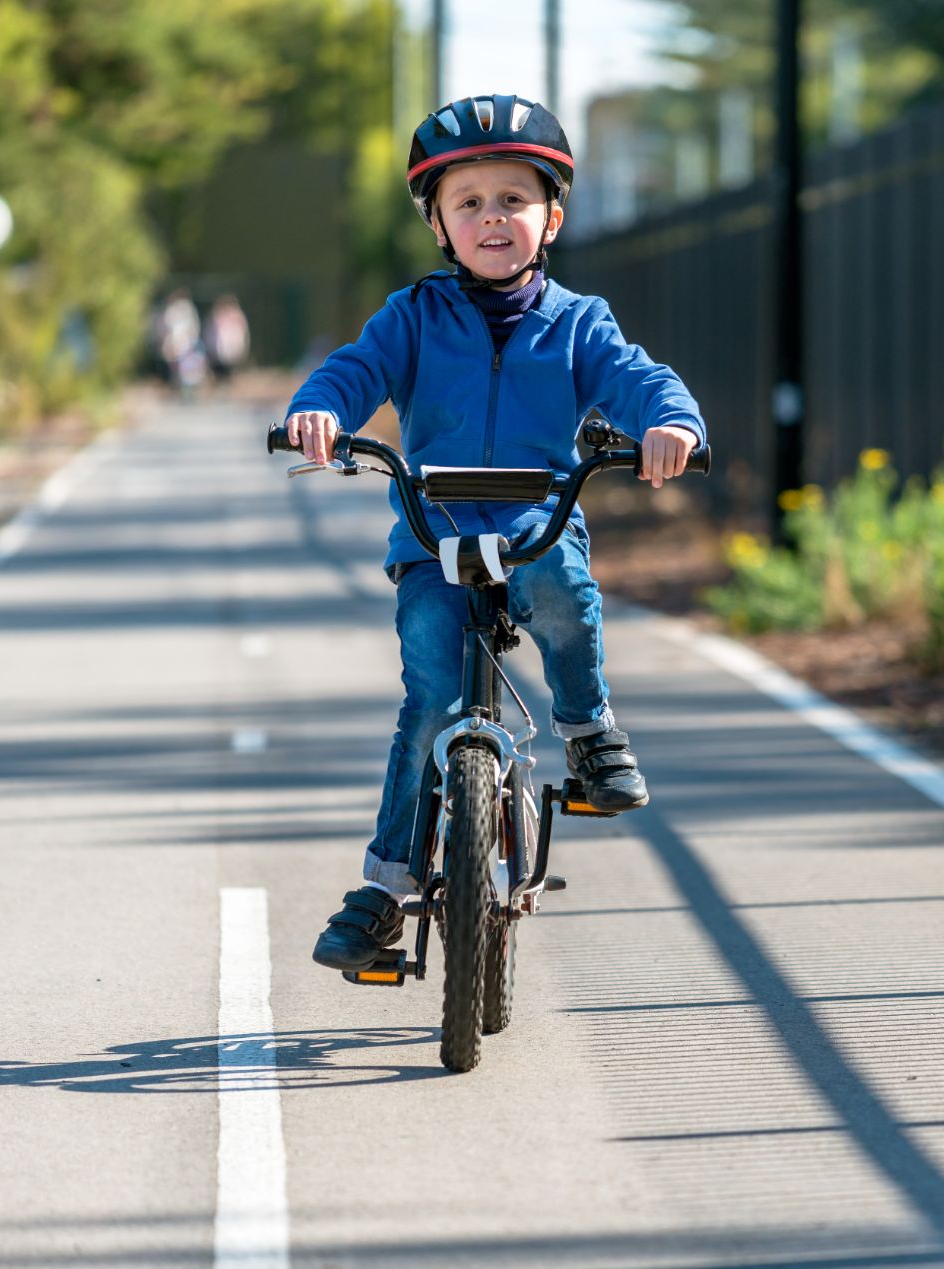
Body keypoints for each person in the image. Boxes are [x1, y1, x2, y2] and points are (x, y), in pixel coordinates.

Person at [281, 94, 706, 971]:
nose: (492, 218)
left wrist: (672, 424)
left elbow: (638, 379)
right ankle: (384, 885)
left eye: (514, 198)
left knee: (563, 593)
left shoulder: (580, 323)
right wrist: (318, 411)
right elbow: (351, 372)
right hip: (432, 537)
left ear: (551, 218)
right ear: (438, 223)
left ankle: (588, 733)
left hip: (534, 524)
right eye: (467, 202)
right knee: (429, 697)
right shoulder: (410, 318)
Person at [206, 294, 250, 384]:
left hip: (230, 343)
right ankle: (222, 380)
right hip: (222, 344)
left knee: (228, 364)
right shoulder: (219, 315)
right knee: (221, 364)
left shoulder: (235, 315)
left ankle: (226, 380)